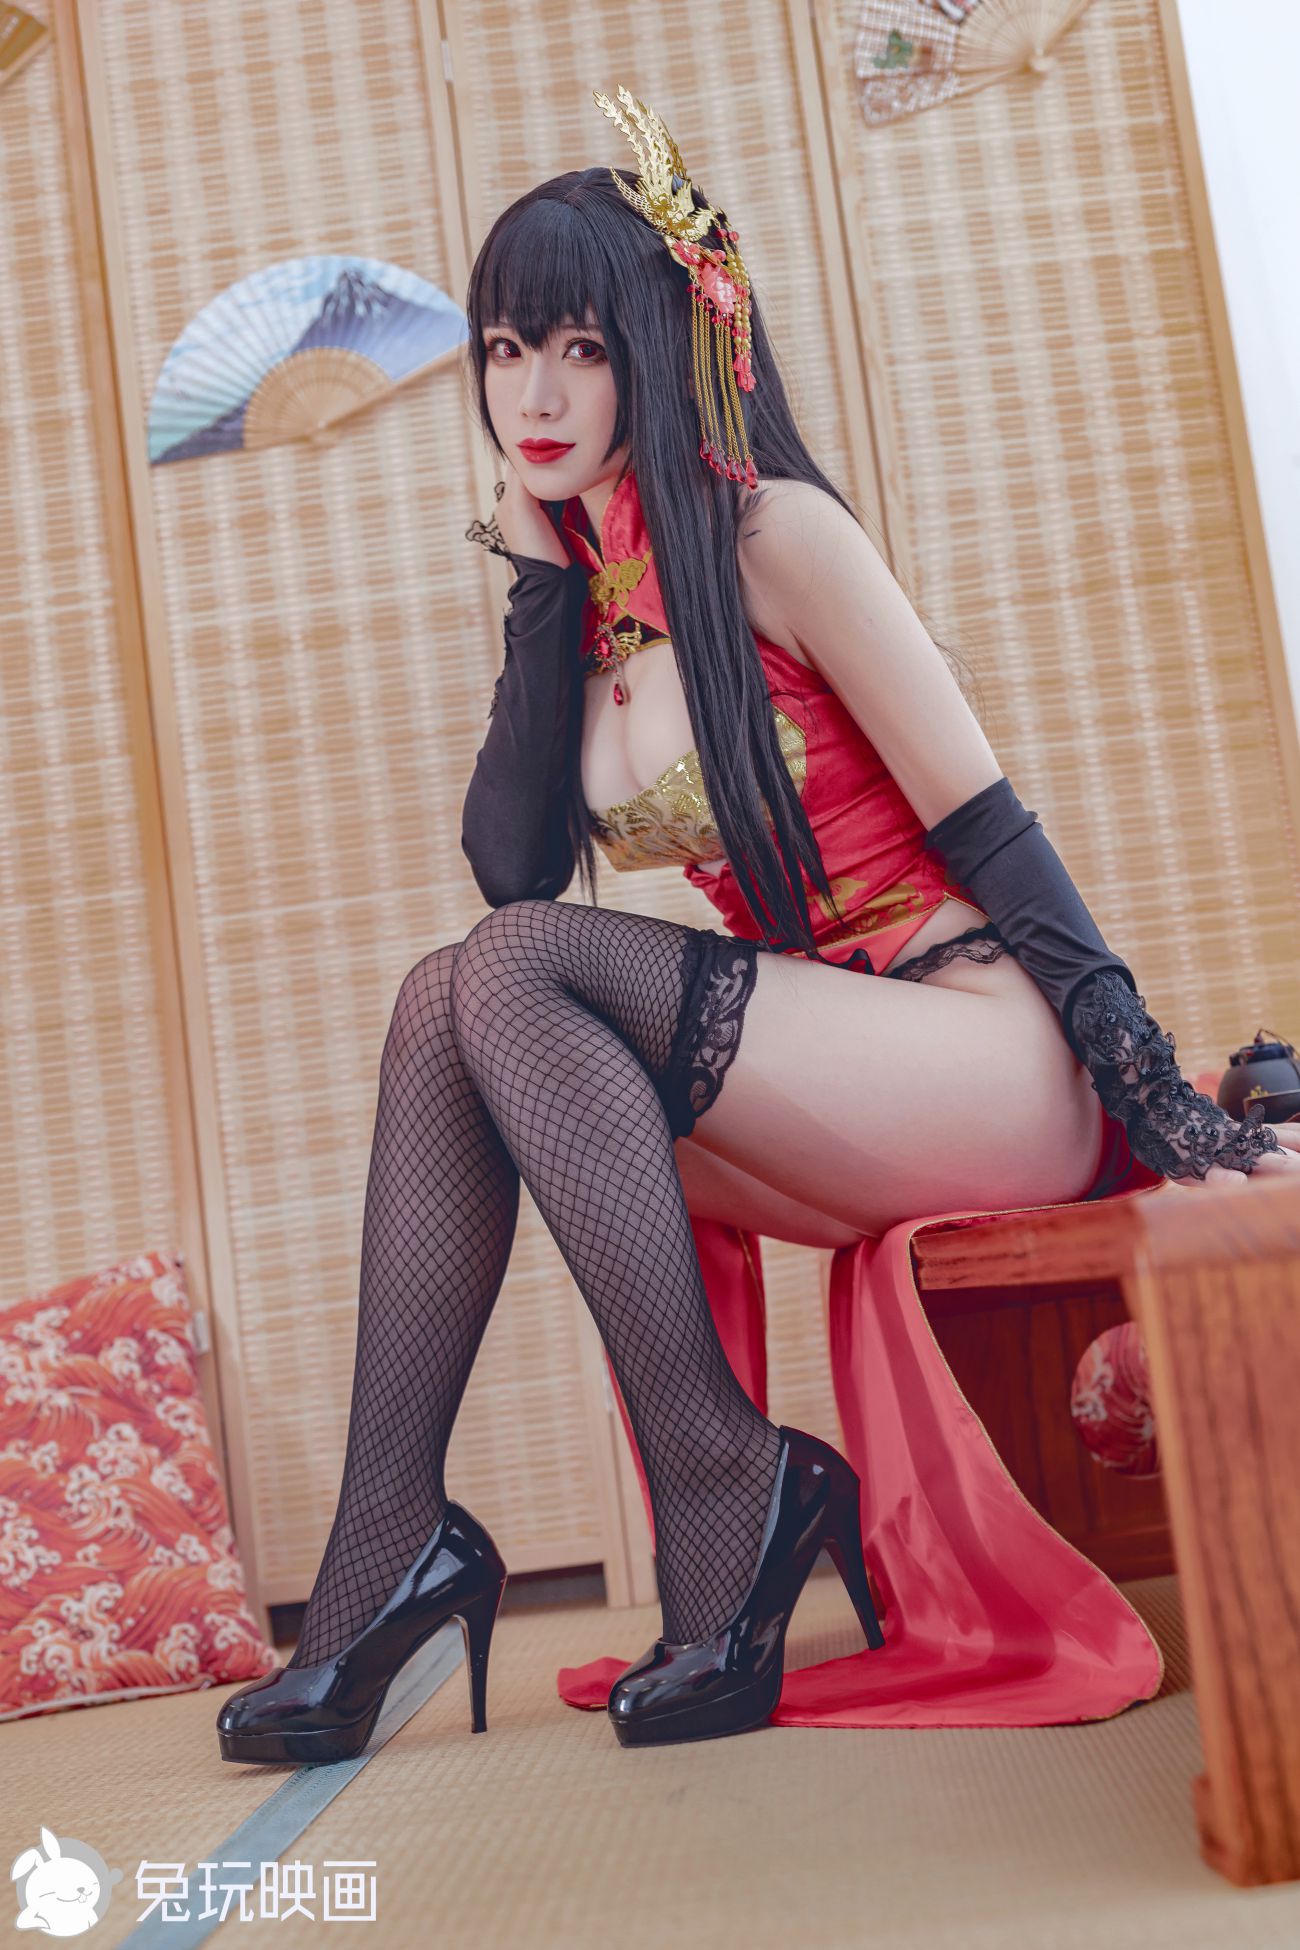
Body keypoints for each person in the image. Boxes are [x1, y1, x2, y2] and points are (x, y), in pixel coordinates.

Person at [217, 87, 1300, 1766]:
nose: (534, 394)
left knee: (507, 976)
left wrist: (1154, 1092)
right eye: (505, 351)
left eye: (579, 348)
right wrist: (537, 590)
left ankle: (728, 1484)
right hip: (827, 1063)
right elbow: (510, 868)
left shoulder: (775, 535)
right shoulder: (593, 594)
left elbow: (992, 829)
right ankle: (394, 1542)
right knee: (454, 1003)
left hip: (981, 1041)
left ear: (658, 349)